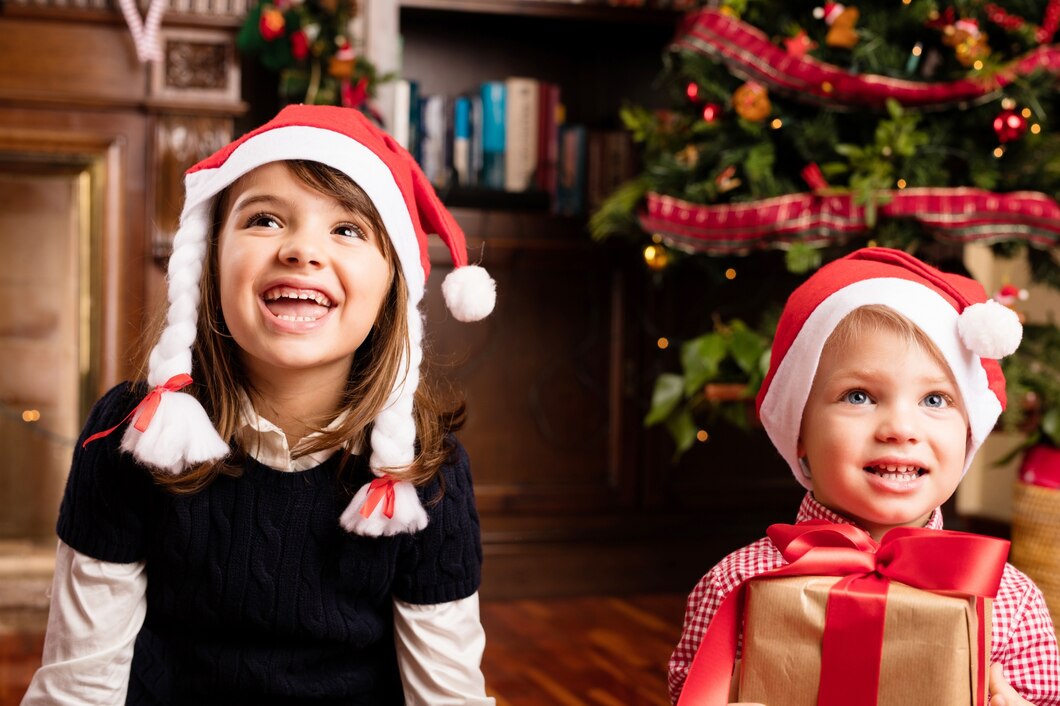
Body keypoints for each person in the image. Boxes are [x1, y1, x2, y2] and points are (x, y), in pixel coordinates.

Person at [22, 104, 499, 705]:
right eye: (266, 220)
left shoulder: (428, 473)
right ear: (209, 262)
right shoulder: (130, 434)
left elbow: (447, 694)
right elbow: (79, 682)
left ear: (392, 289)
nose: (302, 250)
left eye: (347, 230)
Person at [667, 247, 1060, 706]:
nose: (899, 429)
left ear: (969, 431)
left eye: (935, 400)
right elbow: (688, 691)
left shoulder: (1009, 603)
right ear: (799, 432)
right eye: (859, 396)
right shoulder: (735, 586)